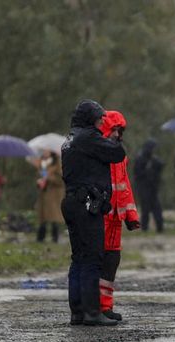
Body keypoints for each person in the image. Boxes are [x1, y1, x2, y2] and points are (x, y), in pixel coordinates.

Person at [61, 99, 126, 327]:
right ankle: (92, 312)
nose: (101, 124)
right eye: (100, 119)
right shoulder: (88, 138)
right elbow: (117, 153)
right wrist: (112, 136)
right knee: (91, 259)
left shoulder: (70, 138)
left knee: (78, 258)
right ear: (91, 119)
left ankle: (77, 312)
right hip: (85, 205)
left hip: (71, 202)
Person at [98, 110, 140, 321]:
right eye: (113, 129)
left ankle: (105, 306)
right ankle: (94, 307)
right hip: (100, 216)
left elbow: (125, 187)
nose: (116, 134)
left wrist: (131, 215)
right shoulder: (97, 153)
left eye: (119, 130)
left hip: (115, 219)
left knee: (111, 262)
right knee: (96, 262)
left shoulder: (119, 155)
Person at [133, 138, 164, 233]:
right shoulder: (140, 159)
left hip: (153, 187)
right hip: (144, 187)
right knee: (145, 208)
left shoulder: (153, 159)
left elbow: (160, 166)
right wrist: (146, 171)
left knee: (156, 208)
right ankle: (144, 228)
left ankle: (160, 227)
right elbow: (137, 173)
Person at [34, 149, 64, 242]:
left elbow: (61, 180)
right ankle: (40, 238)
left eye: (47, 151)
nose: (44, 153)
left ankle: (55, 238)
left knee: (54, 217)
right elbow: (38, 177)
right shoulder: (41, 164)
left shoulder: (57, 164)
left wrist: (49, 178)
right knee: (42, 217)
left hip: (54, 195)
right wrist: (39, 181)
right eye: (43, 151)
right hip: (44, 194)